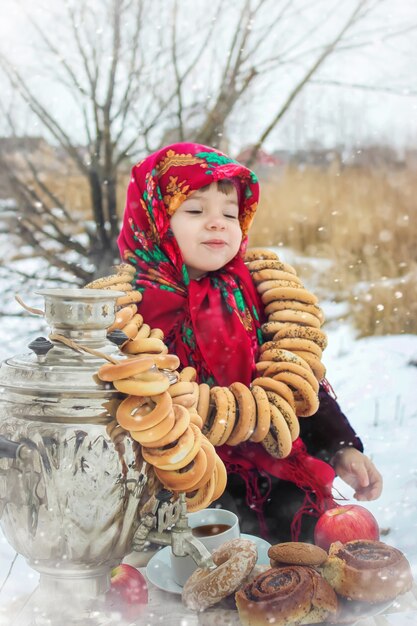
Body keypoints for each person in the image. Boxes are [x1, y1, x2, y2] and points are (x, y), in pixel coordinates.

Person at [117, 142, 382, 543]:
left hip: (276, 478)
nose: (218, 223)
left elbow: (293, 379)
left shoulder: (252, 292)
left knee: (294, 578)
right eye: (194, 211)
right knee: (192, 586)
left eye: (229, 213)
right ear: (154, 219)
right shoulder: (130, 310)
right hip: (182, 485)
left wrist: (340, 446)